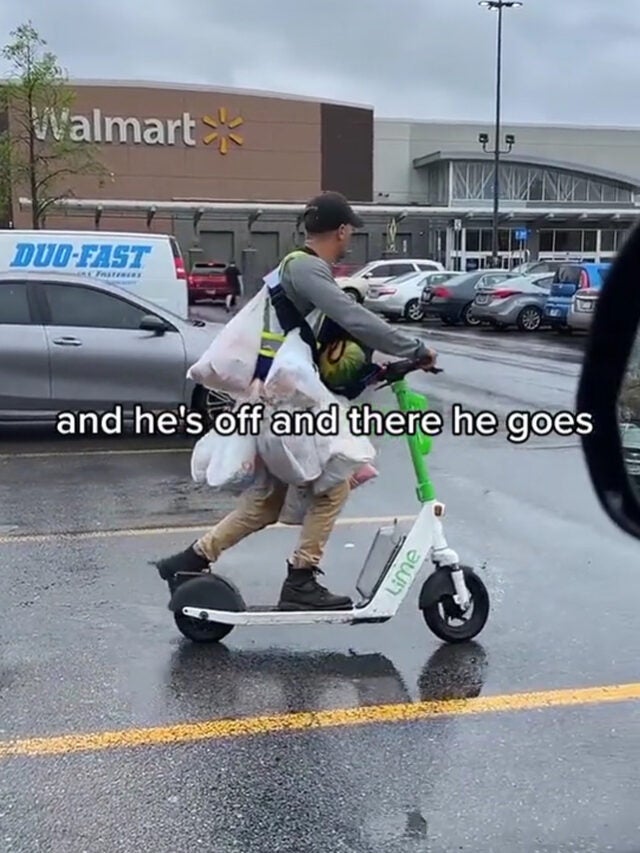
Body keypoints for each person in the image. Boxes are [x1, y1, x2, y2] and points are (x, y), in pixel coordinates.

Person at [154, 191, 437, 611]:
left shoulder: (292, 268)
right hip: (285, 409)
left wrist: (378, 370)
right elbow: (350, 315)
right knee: (334, 486)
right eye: (349, 232)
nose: (349, 239)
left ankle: (191, 559)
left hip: (273, 403)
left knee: (266, 504)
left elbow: (318, 347)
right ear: (342, 231)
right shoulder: (306, 268)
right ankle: (301, 580)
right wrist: (413, 347)